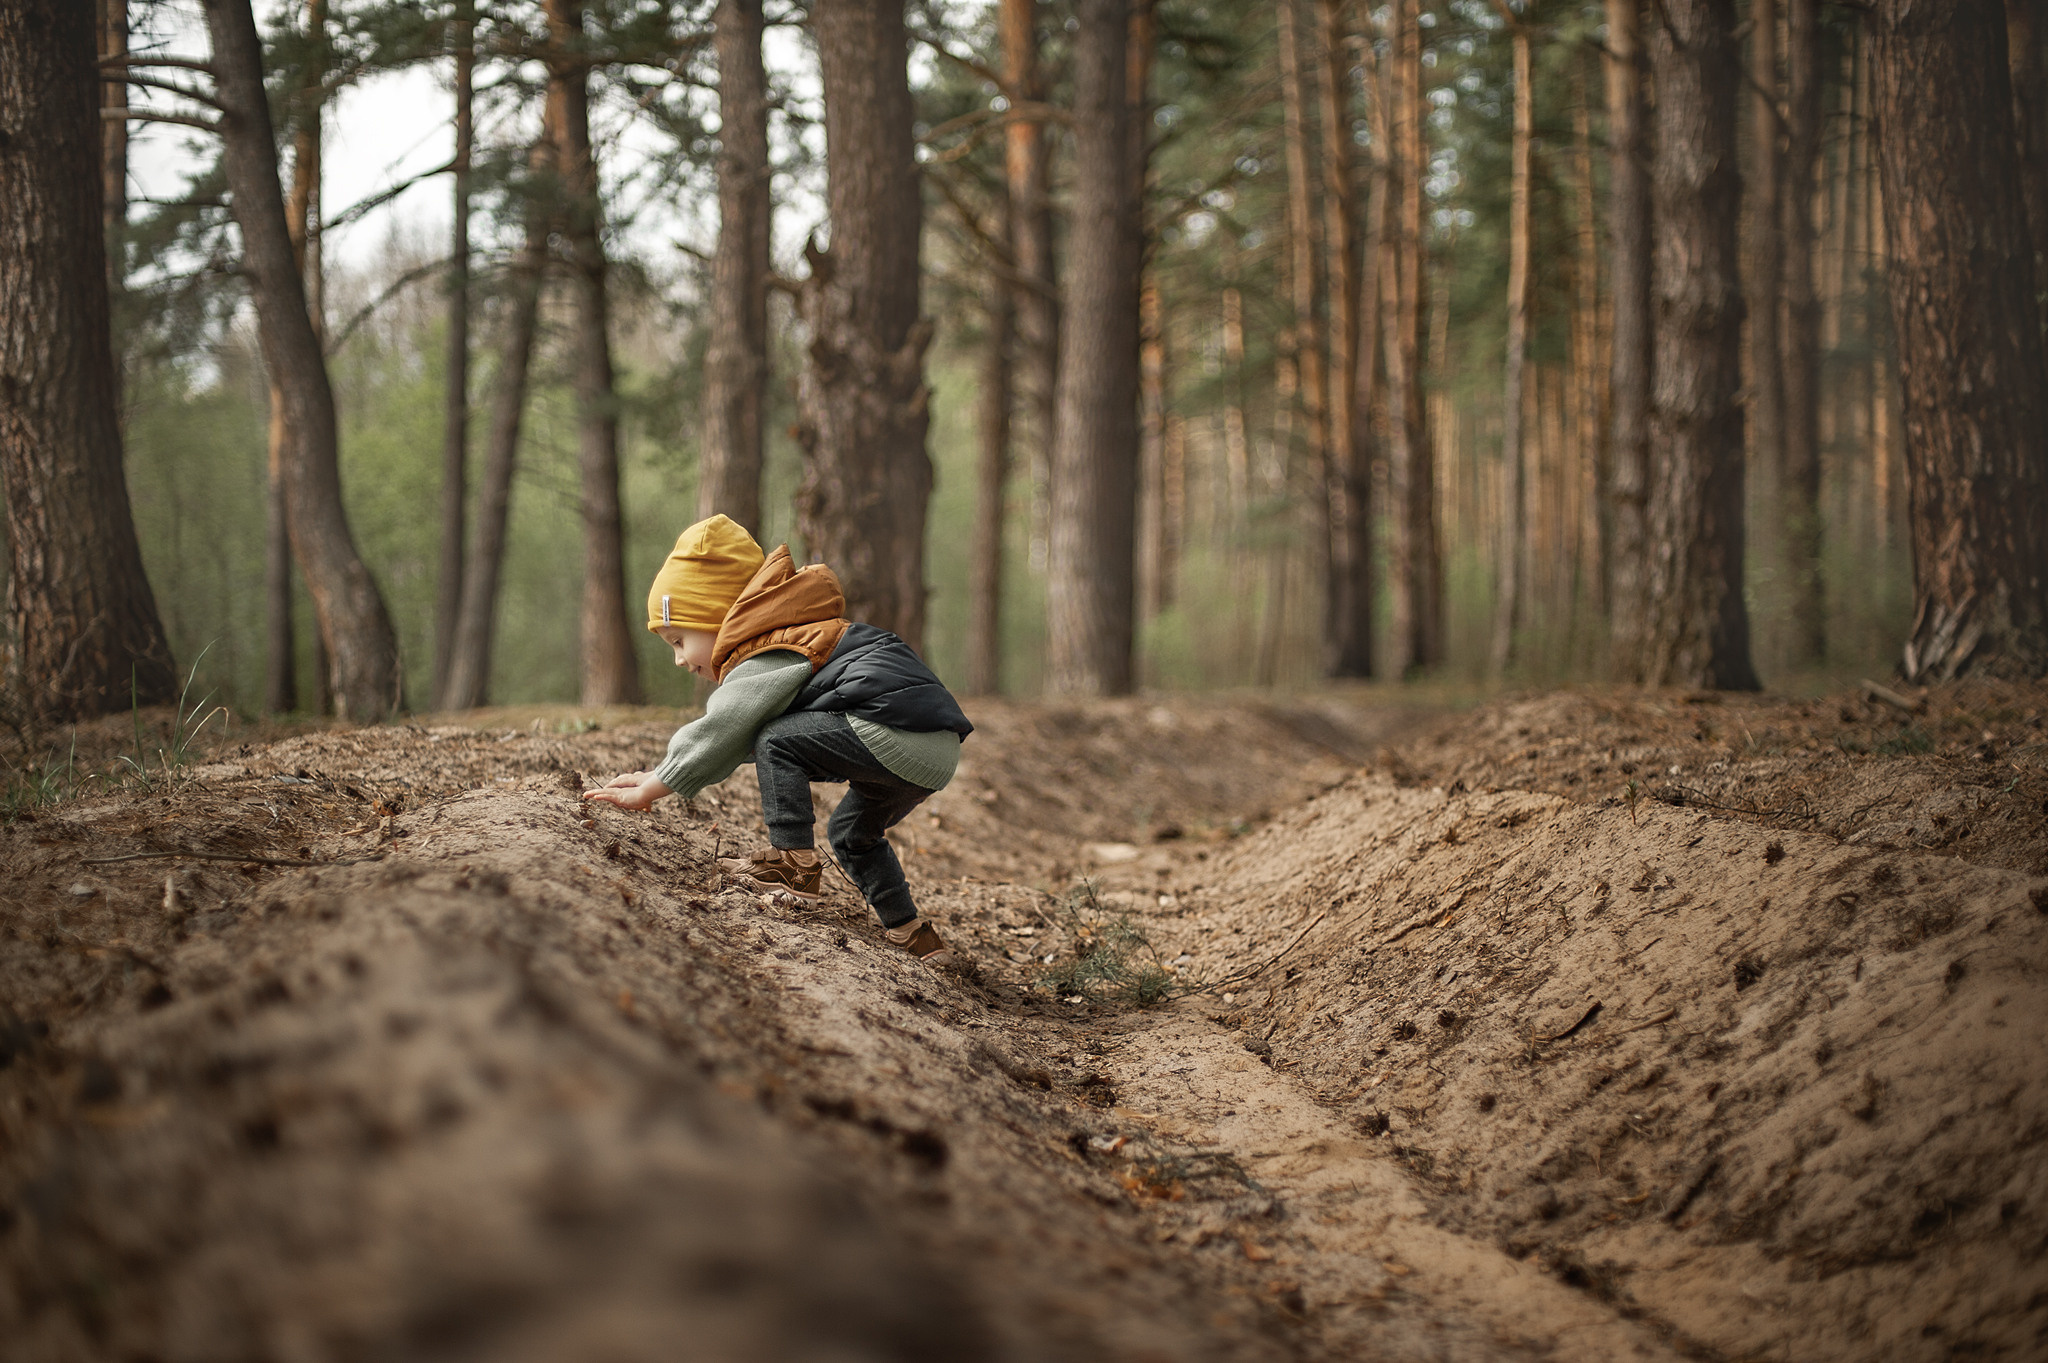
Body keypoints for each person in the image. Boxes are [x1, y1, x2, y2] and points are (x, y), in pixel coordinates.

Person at [584, 514, 972, 968]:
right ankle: (913, 935)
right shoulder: (796, 636)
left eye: (679, 639)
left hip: (892, 730)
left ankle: (793, 866)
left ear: (716, 617)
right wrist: (658, 773)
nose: (678, 660)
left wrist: (658, 784)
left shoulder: (769, 648)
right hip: (932, 749)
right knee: (851, 833)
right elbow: (734, 739)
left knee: (777, 739)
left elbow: (727, 725)